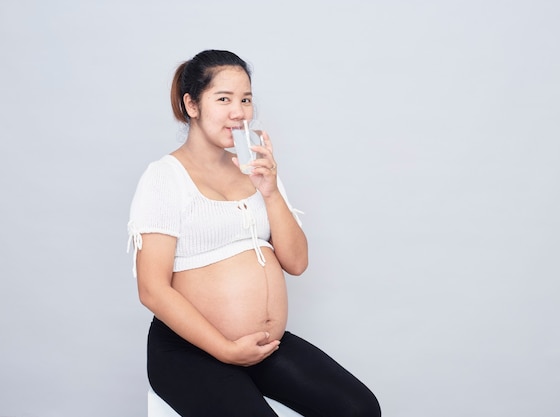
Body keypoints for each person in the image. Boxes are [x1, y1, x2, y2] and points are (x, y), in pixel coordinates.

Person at [127, 49, 381, 417]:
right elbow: (152, 289)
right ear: (192, 105)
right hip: (188, 350)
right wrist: (226, 350)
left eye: (245, 99)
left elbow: (296, 262)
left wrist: (271, 190)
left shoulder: (255, 170)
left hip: (262, 347)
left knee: (359, 409)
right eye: (224, 99)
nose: (239, 112)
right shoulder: (165, 178)